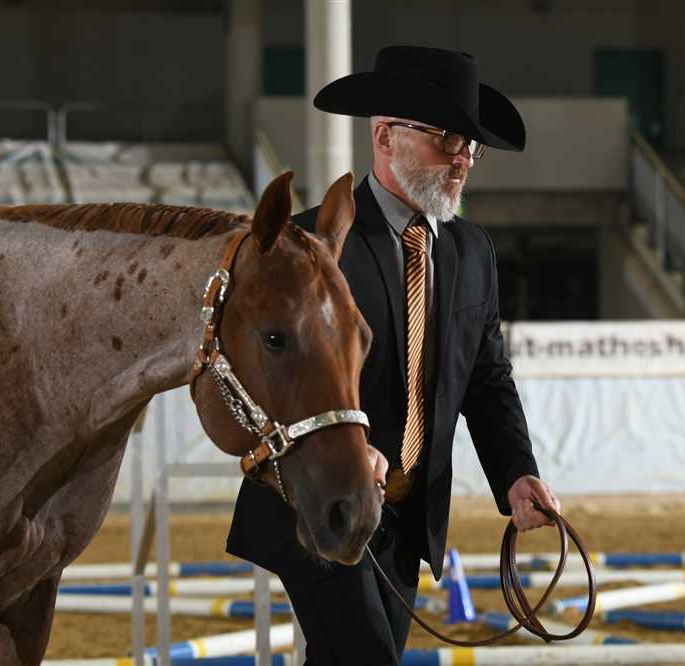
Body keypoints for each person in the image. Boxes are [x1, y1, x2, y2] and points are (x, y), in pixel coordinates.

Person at [227, 45, 560, 665]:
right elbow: (262, 374)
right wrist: (347, 441)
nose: (463, 158)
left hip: (406, 517)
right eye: (446, 138)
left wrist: (517, 472)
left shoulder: (472, 251)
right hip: (318, 497)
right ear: (384, 136)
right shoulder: (310, 244)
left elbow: (487, 379)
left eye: (470, 144)